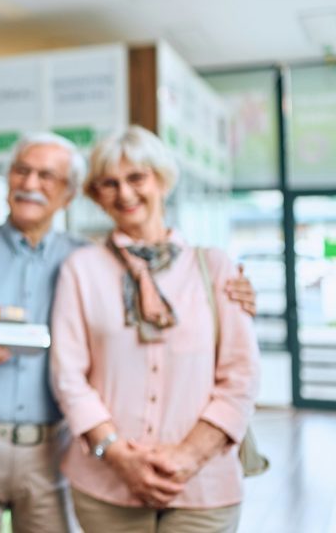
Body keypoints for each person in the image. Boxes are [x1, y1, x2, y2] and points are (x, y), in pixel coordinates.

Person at [0, 132, 256, 533]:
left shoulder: (85, 260)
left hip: (53, 449)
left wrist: (237, 289)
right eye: (22, 171)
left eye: (47, 176)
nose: (31, 184)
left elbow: (232, 361)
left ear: (69, 195)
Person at [50, 125, 260, 533]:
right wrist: (118, 456)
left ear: (162, 181)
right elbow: (68, 375)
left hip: (204, 486)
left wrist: (187, 457)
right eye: (110, 183)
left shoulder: (215, 266)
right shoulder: (81, 269)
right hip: (104, 485)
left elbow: (241, 374)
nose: (125, 194)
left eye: (136, 178)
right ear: (96, 195)